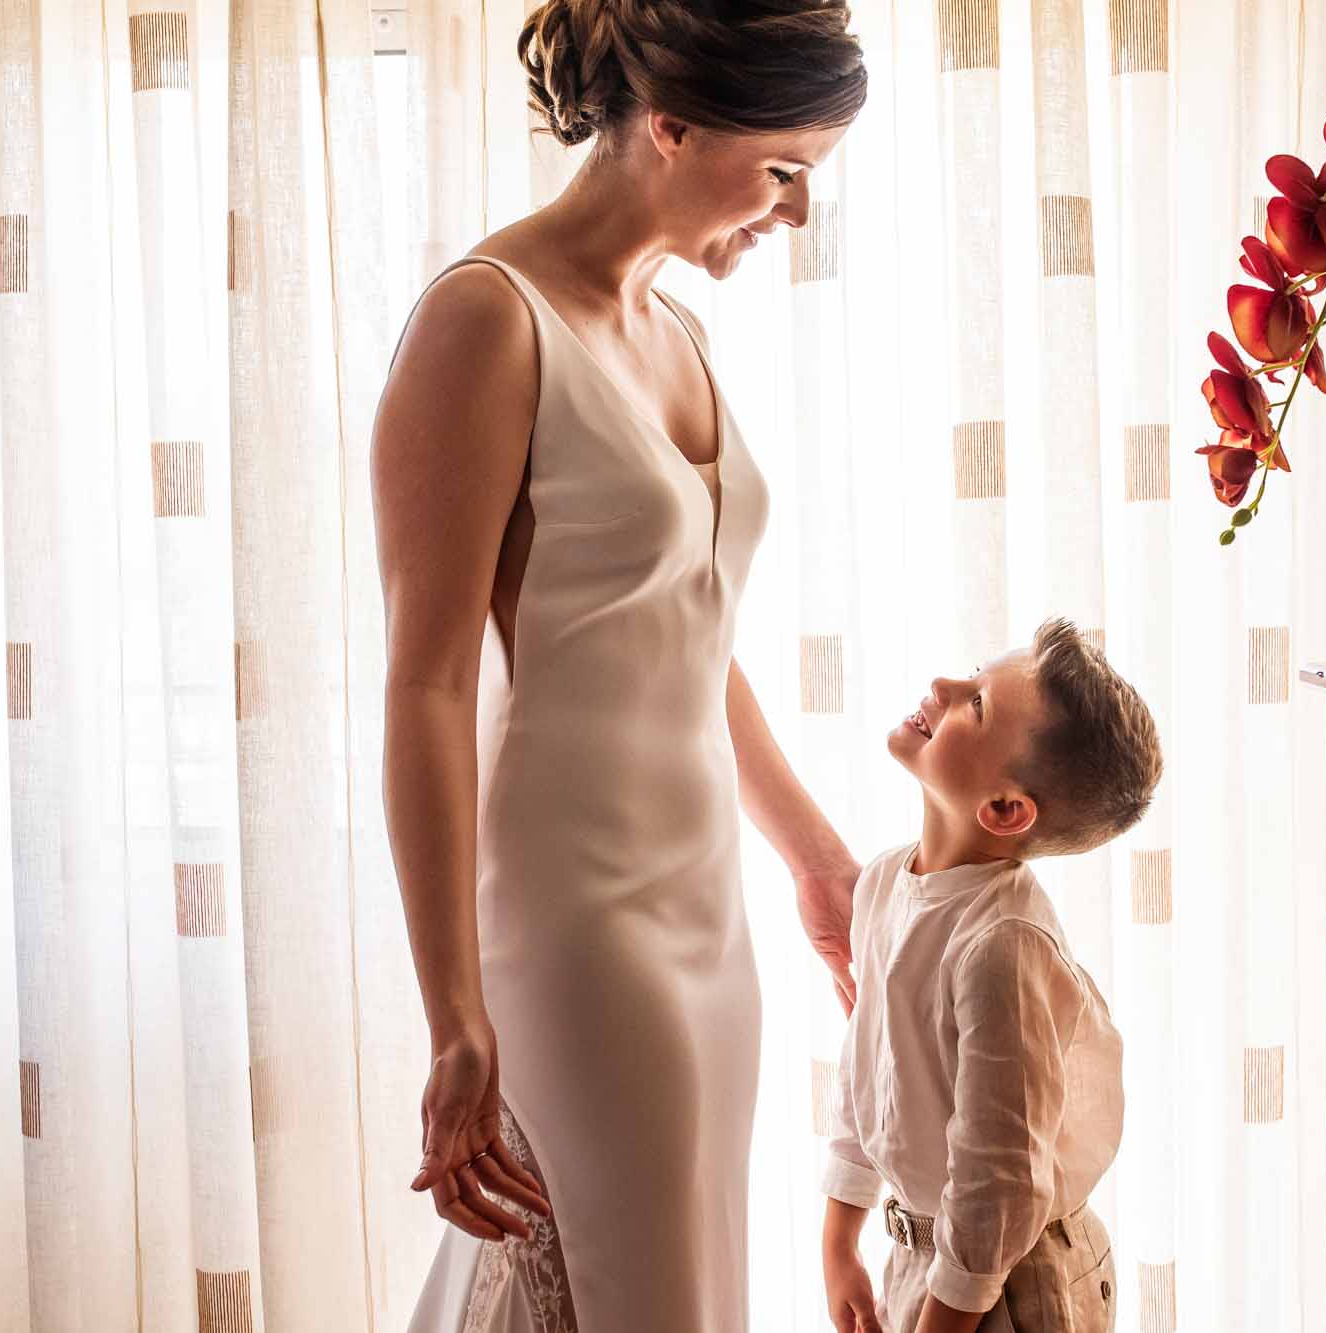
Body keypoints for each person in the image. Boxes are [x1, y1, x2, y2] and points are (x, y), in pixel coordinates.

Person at [369, 2, 868, 1328]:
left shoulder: (675, 330)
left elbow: (690, 639)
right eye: (784, 171)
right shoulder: (485, 322)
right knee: (630, 1290)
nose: (795, 215)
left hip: (706, 910)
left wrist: (812, 860)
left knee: (687, 1287)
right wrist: (453, 1016)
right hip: (575, 920)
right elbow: (423, 685)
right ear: (672, 124)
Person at [820, 620, 1163, 1333]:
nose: (943, 686)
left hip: (1013, 1281)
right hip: (933, 1258)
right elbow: (866, 1075)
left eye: (973, 702)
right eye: (970, 677)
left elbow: (998, 1182)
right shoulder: (886, 882)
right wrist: (839, 1234)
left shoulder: (1002, 948)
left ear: (1005, 809)